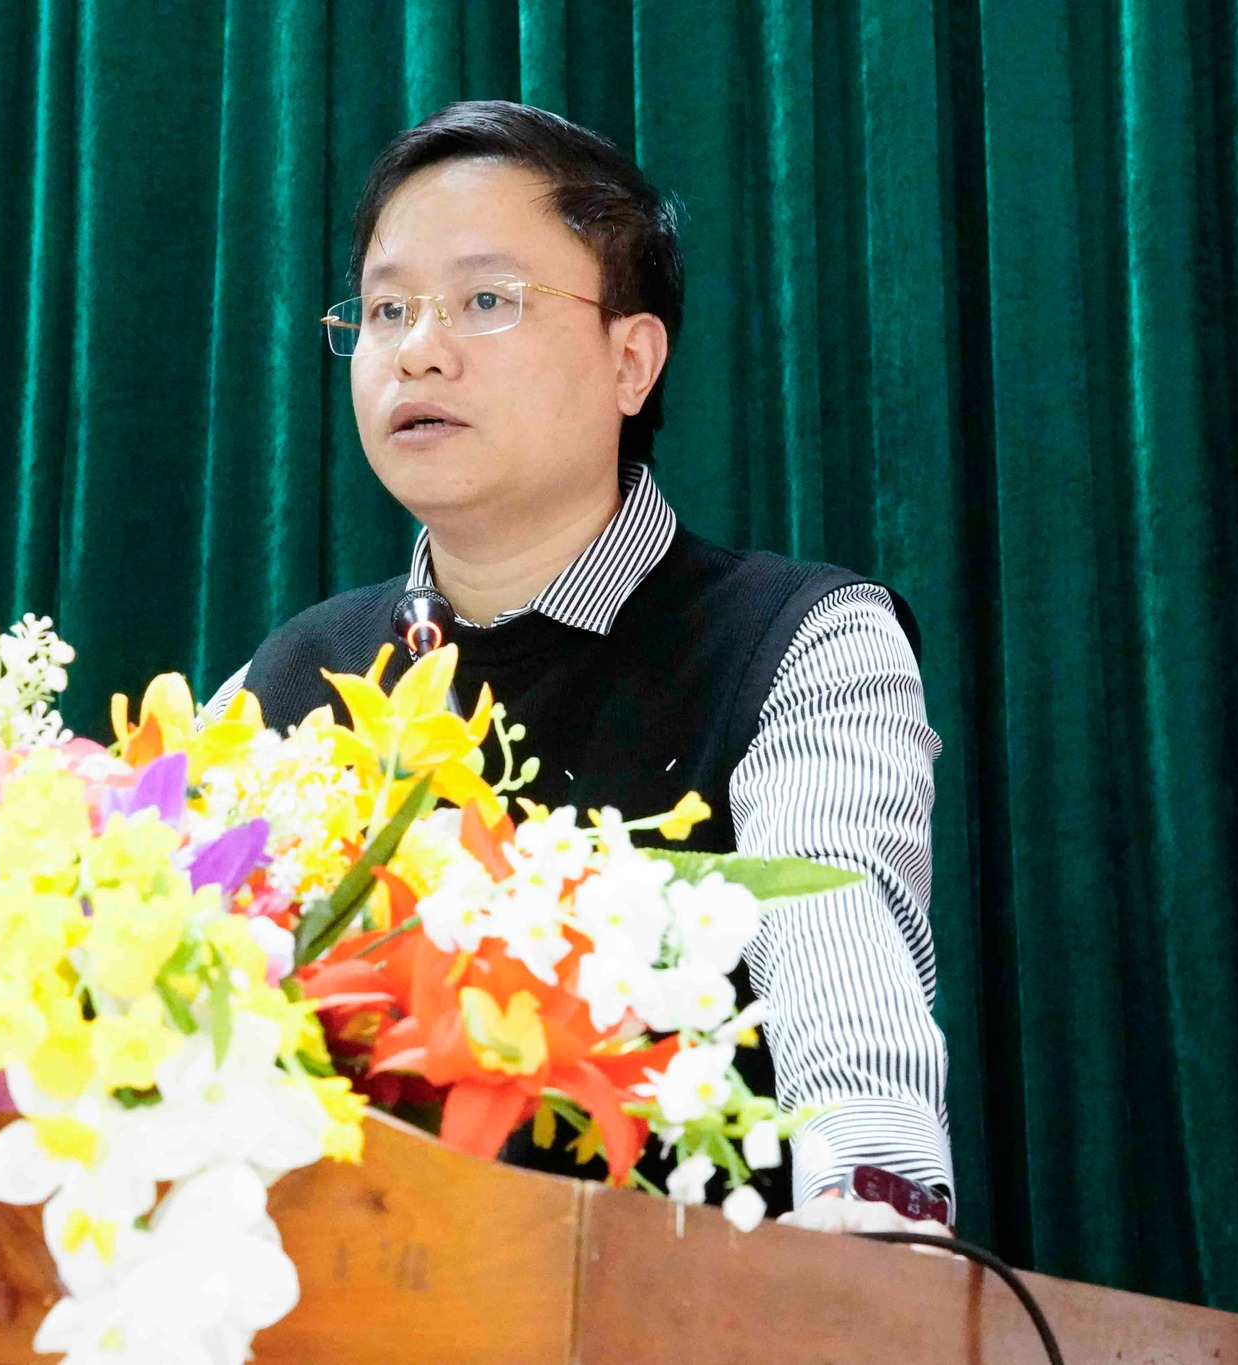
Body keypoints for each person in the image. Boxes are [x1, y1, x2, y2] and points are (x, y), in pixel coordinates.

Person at [206, 101, 954, 1235]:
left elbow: (839, 958)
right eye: (387, 308)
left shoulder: (798, 641)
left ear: (629, 360)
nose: (418, 349)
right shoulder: (298, 672)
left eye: (486, 300)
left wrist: (877, 1214)